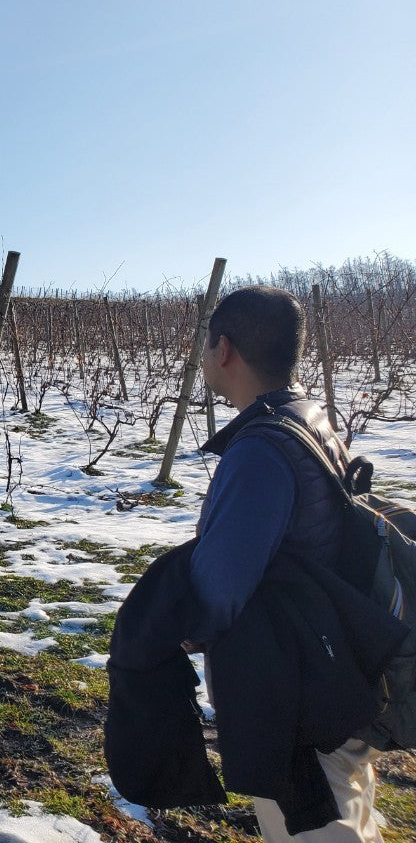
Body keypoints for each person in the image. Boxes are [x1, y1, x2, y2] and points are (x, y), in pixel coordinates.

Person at [190, 285, 384, 842]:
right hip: (334, 668)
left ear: (223, 349)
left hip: (293, 692)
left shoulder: (260, 449)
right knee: (346, 813)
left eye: (206, 346)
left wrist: (174, 628)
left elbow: (220, 587)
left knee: (316, 829)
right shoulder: (308, 418)